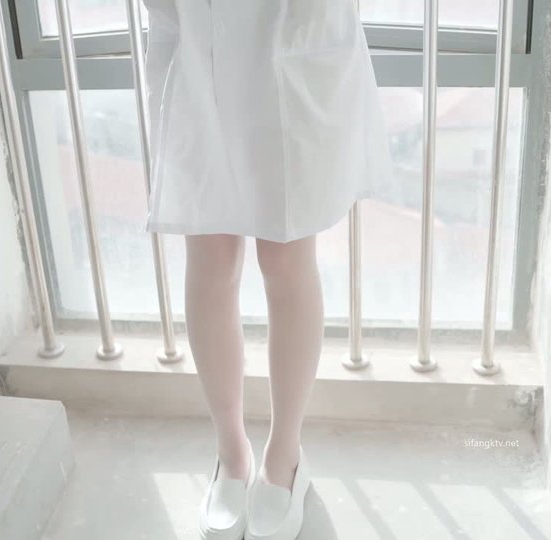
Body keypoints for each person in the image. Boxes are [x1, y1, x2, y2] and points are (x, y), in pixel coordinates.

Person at [140, 1, 392, 538]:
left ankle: (285, 458)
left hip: (294, 33)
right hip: (196, 36)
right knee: (210, 256)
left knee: (286, 259)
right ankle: (231, 452)